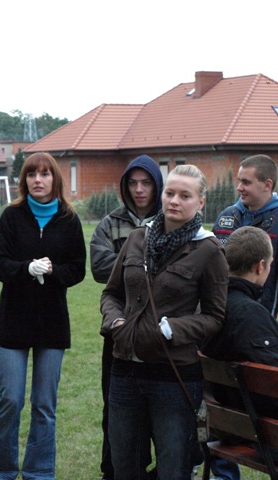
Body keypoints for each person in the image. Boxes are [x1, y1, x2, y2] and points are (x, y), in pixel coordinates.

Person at [100, 164, 229, 479]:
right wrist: (115, 321)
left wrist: (174, 329)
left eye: (185, 195)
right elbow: (111, 294)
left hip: (173, 375)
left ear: (200, 202)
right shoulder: (137, 238)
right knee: (123, 466)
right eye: (170, 193)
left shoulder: (209, 250)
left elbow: (215, 316)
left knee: (173, 467)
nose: (174, 201)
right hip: (125, 369)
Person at [0, 152, 86, 479]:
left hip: (52, 326)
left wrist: (53, 272)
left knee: (44, 406)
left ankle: (39, 472)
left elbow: (78, 270)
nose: (37, 180)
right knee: (10, 401)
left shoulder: (69, 220)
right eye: (31, 174)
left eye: (44, 174)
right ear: (24, 180)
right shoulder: (11, 217)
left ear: (55, 179)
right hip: (12, 323)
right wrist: (25, 268)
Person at [89, 154, 163, 480]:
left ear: (157, 185)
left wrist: (127, 266)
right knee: (116, 408)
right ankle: (113, 470)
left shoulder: (172, 219)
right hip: (118, 331)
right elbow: (99, 268)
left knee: (161, 409)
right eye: (133, 183)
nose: (139, 189)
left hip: (161, 332)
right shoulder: (110, 223)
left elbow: (186, 268)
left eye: (146, 183)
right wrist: (148, 264)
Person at [201, 226, 276, 480]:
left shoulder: (207, 304)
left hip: (226, 423)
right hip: (261, 431)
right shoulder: (249, 314)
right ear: (260, 266)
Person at [213, 154, 278, 317]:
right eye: (239, 181)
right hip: (218, 311)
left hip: (260, 316)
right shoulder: (226, 216)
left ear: (267, 185)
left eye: (246, 182)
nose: (239, 187)